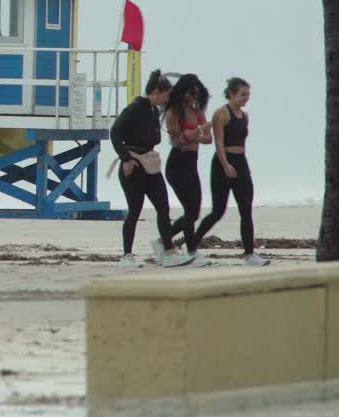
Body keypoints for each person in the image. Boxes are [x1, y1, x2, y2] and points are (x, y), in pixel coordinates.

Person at [109, 69, 193, 268]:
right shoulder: (135, 108)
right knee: (135, 211)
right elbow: (115, 133)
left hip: (151, 165)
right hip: (134, 165)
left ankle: (169, 253)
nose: (167, 99)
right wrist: (126, 159)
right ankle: (127, 256)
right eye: (166, 95)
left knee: (163, 207)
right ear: (156, 91)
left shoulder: (154, 111)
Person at [194, 77, 270, 266]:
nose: (246, 98)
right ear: (231, 94)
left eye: (248, 94)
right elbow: (218, 142)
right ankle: (191, 245)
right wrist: (226, 165)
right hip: (222, 164)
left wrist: (239, 165)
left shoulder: (245, 116)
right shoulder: (221, 113)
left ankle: (249, 255)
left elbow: (241, 142)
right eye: (243, 94)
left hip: (241, 163)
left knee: (246, 209)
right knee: (218, 211)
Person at [163, 74, 212, 266]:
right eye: (190, 94)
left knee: (195, 211)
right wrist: (199, 131)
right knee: (189, 209)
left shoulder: (198, 112)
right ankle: (190, 250)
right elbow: (178, 140)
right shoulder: (173, 112)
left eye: (196, 95)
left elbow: (208, 139)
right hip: (177, 163)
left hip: (192, 162)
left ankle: (164, 239)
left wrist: (194, 134)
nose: (193, 98)